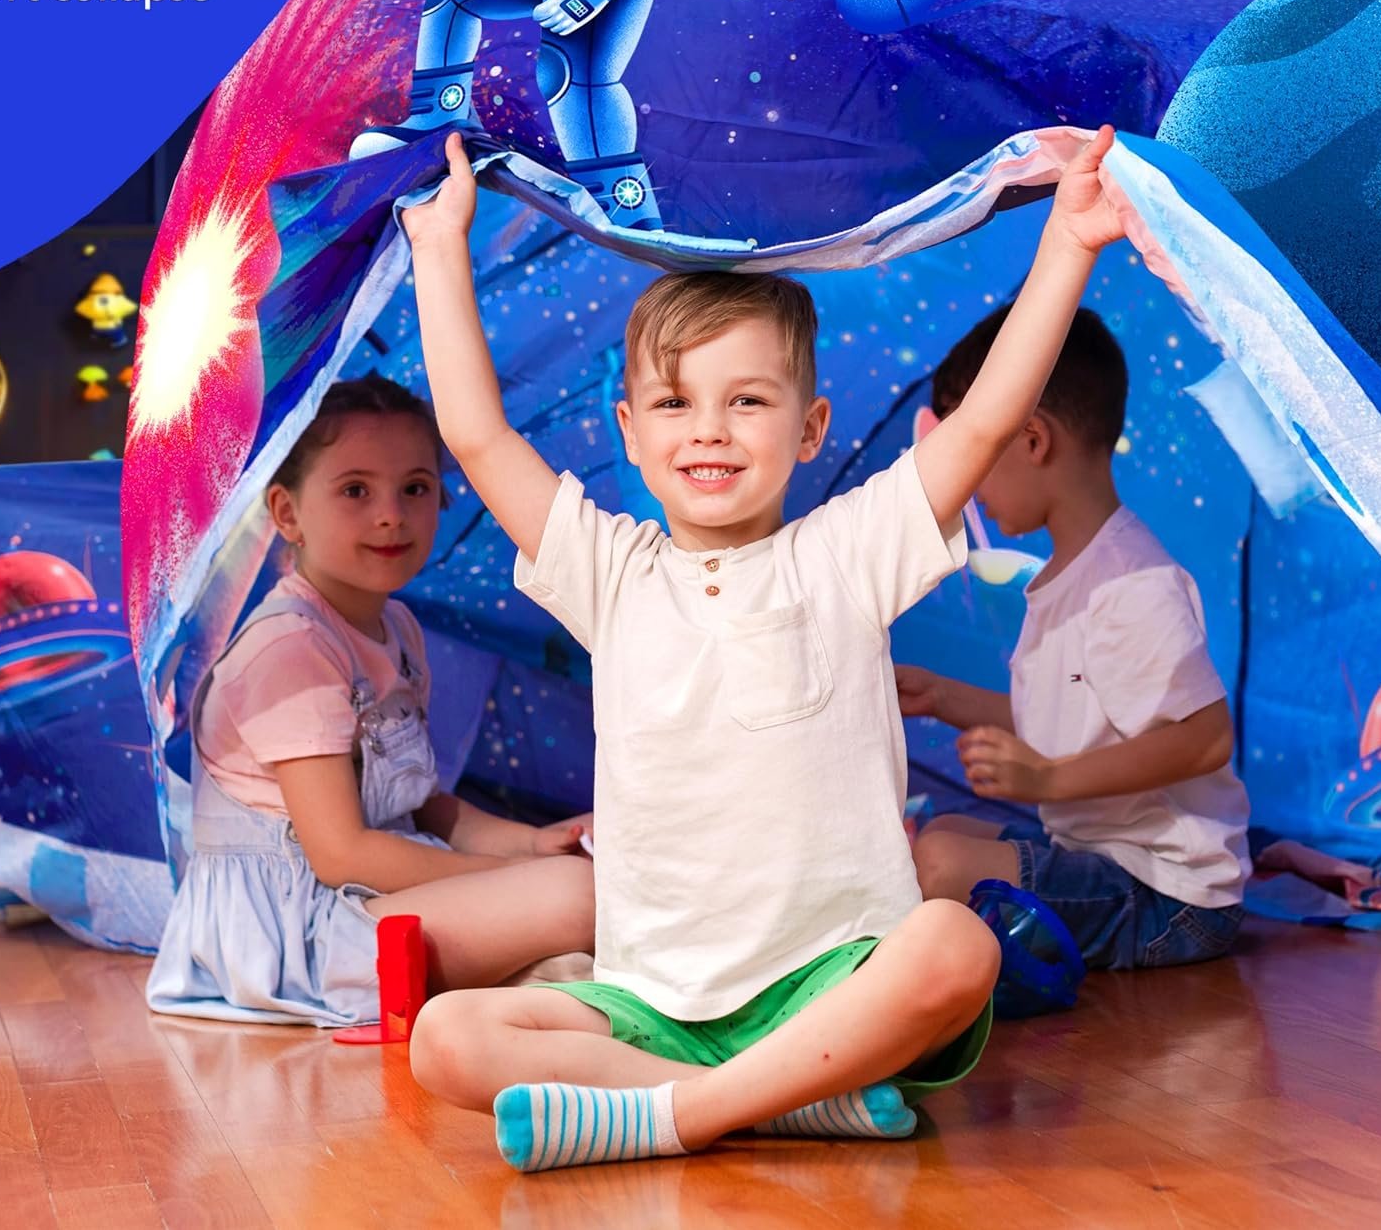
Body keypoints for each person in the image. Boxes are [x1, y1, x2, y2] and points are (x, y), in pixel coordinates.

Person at [399, 126, 1127, 1172]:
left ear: (810, 427)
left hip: (832, 986)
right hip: (656, 1004)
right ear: (631, 432)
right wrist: (439, 251)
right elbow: (477, 436)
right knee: (446, 1037)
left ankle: (681, 1116)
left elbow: (978, 429)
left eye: (747, 401)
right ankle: (785, 1100)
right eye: (675, 403)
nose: (709, 430)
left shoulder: (849, 554)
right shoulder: (610, 571)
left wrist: (1068, 245)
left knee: (956, 944)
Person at [146, 376, 595, 1027]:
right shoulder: (290, 647)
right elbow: (341, 855)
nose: (391, 515)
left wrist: (529, 845)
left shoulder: (398, 628)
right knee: (580, 897)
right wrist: (494, 879)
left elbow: (425, 805)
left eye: (414, 488)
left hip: (368, 899)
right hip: (299, 933)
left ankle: (530, 972)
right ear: (288, 513)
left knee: (594, 866)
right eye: (356, 490)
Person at [901, 305, 1251, 970]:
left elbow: (1204, 738)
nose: (965, 486)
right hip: (1096, 857)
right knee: (944, 831)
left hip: (1167, 897)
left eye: (975, 452)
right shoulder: (1069, 576)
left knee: (940, 862)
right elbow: (1069, 719)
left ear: (1033, 440)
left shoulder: (1131, 582)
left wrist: (1050, 778)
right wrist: (943, 697)